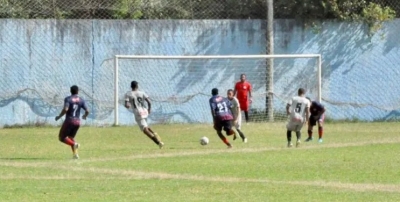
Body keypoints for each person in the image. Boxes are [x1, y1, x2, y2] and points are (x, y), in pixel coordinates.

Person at [124, 81, 164, 149]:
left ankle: (158, 142)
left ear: (131, 86)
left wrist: (127, 105)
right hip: (145, 111)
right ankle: (155, 134)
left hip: (138, 112)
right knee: (146, 126)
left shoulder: (128, 94)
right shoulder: (142, 93)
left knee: (144, 130)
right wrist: (149, 109)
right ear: (137, 86)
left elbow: (126, 104)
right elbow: (149, 102)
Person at [55, 85, 89, 159]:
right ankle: (75, 155)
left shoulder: (68, 99)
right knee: (70, 137)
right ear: (78, 91)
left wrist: (59, 116)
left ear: (70, 91)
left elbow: (66, 109)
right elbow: (87, 110)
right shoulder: (81, 100)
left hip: (69, 121)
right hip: (77, 122)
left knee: (61, 137)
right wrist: (85, 116)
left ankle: (74, 144)